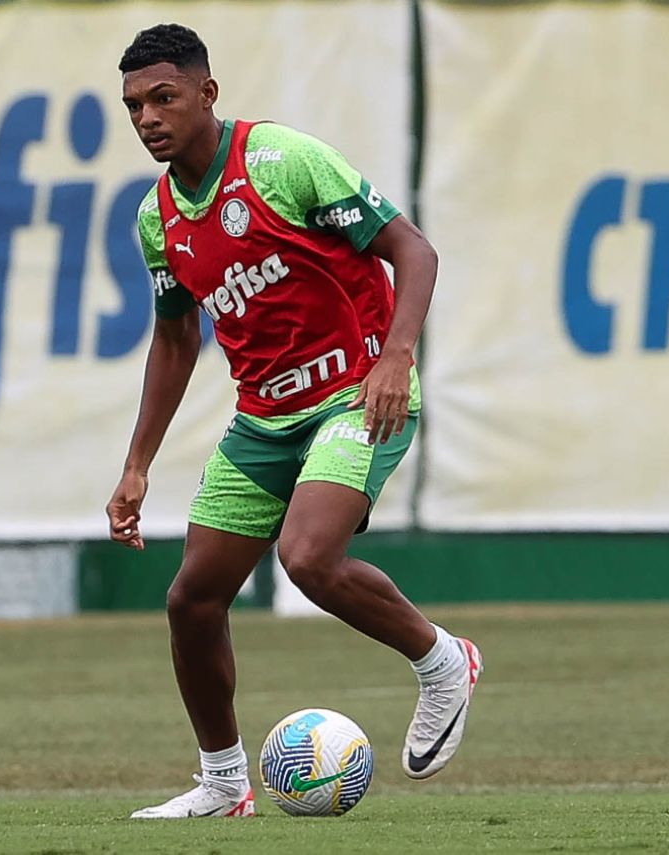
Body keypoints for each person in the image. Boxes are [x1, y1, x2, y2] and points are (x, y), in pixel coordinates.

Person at [107, 23, 482, 819]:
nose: (148, 118)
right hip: (265, 419)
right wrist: (137, 464)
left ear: (207, 93)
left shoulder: (283, 161)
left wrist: (397, 356)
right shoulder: (157, 220)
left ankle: (442, 658)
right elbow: (174, 340)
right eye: (135, 105)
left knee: (308, 556)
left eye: (163, 97)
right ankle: (223, 782)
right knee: (191, 601)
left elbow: (414, 251)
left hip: (357, 393)